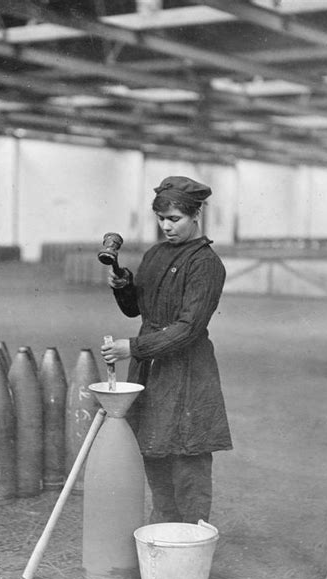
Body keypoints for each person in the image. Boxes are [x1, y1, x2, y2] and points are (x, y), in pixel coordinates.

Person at [101, 175, 232, 525]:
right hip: (152, 368)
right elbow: (135, 310)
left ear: (195, 216)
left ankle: (191, 537)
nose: (166, 227)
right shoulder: (156, 254)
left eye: (174, 219)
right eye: (161, 219)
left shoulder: (205, 264)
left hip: (188, 368)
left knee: (187, 455)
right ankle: (163, 531)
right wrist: (124, 286)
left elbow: (189, 329)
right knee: (153, 450)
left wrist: (135, 347)